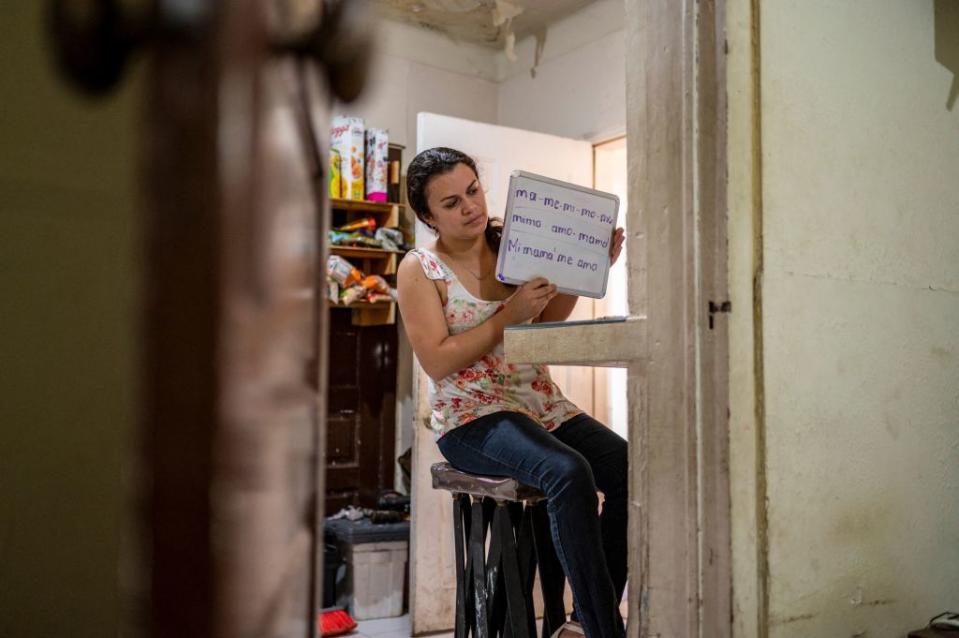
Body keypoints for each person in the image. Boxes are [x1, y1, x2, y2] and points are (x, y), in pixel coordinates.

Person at [397, 147, 627, 638]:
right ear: (428, 216)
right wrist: (509, 315)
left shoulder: (511, 245)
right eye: (452, 203)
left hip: (539, 404)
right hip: (471, 417)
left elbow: (545, 320)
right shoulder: (419, 269)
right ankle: (606, 630)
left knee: (630, 467)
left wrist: (587, 266)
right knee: (568, 471)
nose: (470, 208)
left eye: (473, 191)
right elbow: (437, 359)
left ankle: (582, 625)